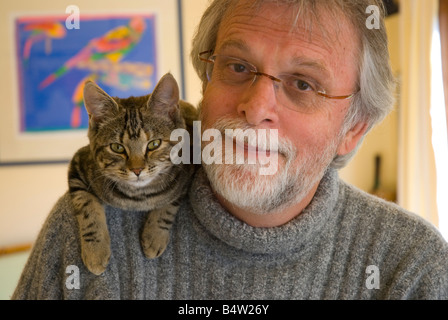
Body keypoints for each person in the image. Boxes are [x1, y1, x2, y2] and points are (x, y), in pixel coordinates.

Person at [13, 0, 448, 300]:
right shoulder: (79, 232)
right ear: (205, 82)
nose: (256, 108)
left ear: (353, 130)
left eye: (302, 83)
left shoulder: (412, 268)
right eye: (238, 67)